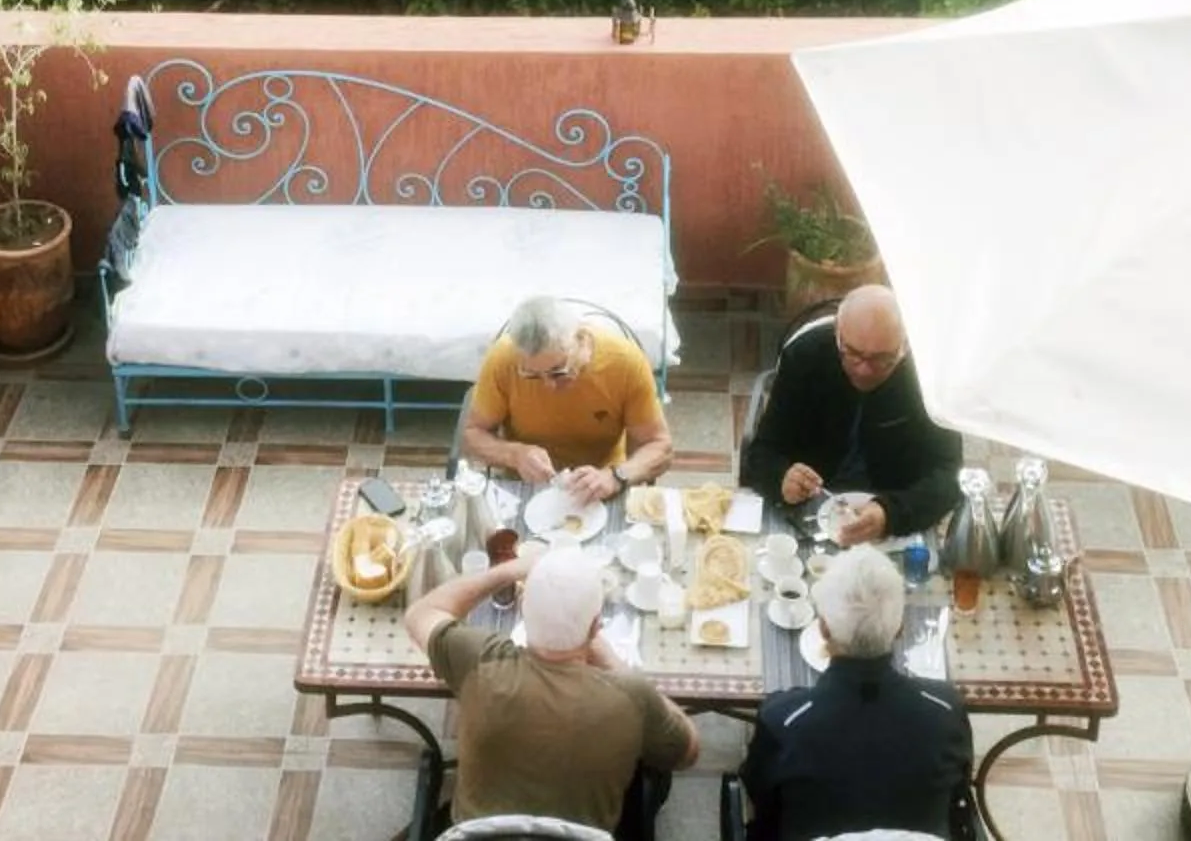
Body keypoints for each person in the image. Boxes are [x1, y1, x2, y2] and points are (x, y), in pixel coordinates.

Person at [404, 541, 697, 836]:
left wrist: (506, 572)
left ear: (522, 610)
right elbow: (687, 752)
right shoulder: (633, 697)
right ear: (596, 626)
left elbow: (421, 613)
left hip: (477, 834)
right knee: (654, 761)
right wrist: (611, 661)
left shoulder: (480, 661)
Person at [739, 545, 972, 841]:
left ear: (823, 629)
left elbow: (760, 795)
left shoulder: (783, 720)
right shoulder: (946, 710)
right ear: (900, 628)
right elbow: (959, 790)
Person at [739, 285, 961, 545]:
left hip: (898, 510)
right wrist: (781, 477)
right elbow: (762, 452)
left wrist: (889, 513)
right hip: (810, 509)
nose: (865, 371)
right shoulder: (804, 356)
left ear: (905, 346)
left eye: (882, 359)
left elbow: (949, 475)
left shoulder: (930, 375)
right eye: (853, 354)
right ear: (838, 335)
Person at [462, 294, 674, 504]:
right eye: (533, 376)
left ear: (582, 339)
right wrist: (514, 455)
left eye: (559, 371)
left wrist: (617, 476)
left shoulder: (625, 362)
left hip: (604, 481)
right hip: (526, 485)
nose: (549, 386)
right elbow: (472, 434)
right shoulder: (502, 359)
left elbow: (660, 446)